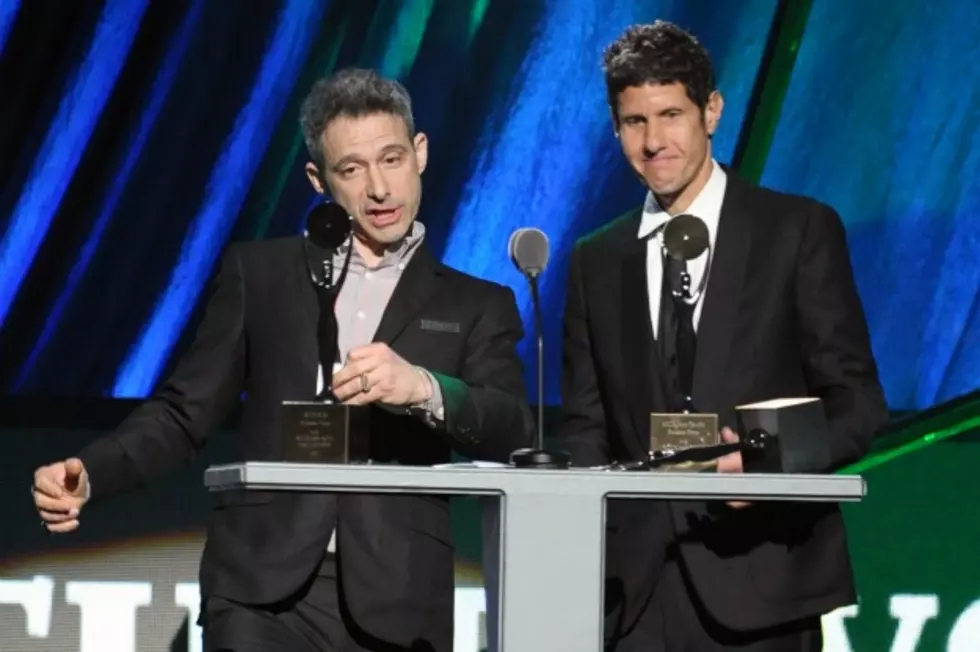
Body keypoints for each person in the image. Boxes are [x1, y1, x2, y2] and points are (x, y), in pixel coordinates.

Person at [31, 67, 534, 652]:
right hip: (259, 588)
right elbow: (184, 411)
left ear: (419, 153)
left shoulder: (476, 303)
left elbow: (511, 429)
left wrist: (423, 386)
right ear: (318, 179)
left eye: (392, 159)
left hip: (398, 595)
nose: (378, 188)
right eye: (352, 169)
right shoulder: (262, 274)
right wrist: (93, 472)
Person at [558, 21, 889, 651]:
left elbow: (857, 403)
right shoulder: (596, 260)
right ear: (614, 125)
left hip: (763, 578)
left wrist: (765, 465)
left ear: (711, 111)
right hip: (635, 591)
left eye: (671, 114)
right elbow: (584, 425)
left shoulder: (796, 231)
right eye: (634, 122)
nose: (654, 142)